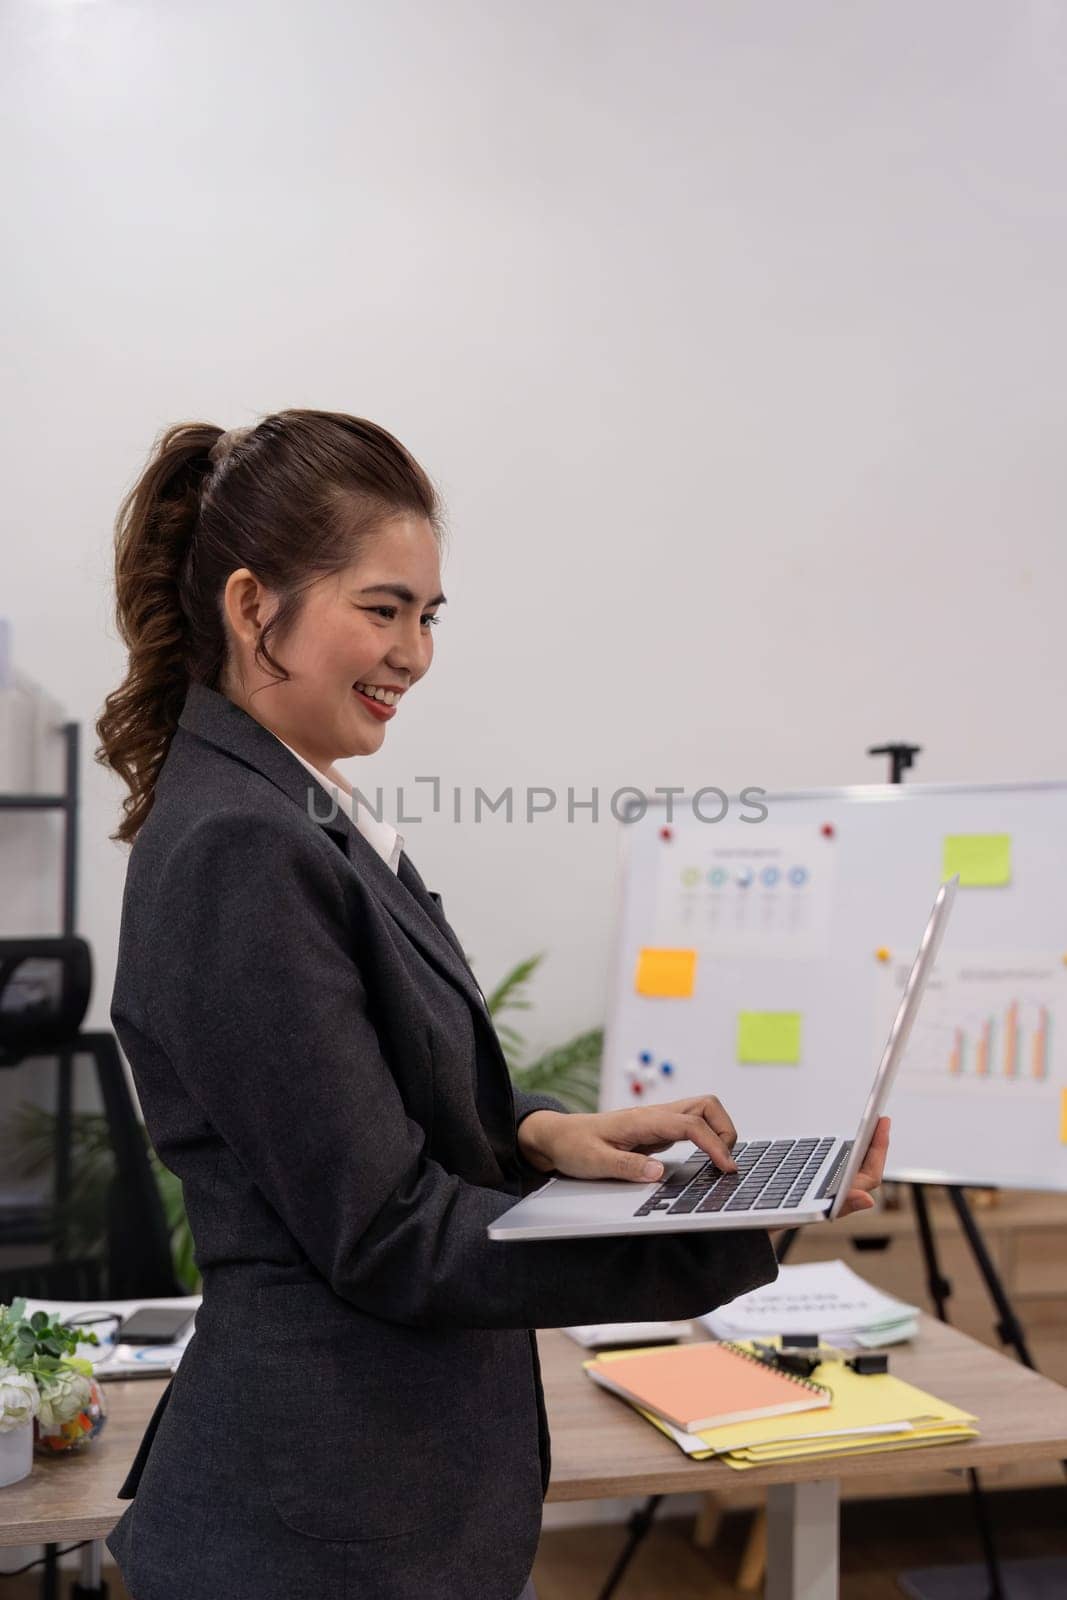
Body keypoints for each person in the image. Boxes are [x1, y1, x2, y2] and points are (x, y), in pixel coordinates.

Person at [95, 409, 888, 1600]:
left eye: (427, 614)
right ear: (254, 605)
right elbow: (387, 1235)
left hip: (373, 1504)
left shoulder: (295, 810)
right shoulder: (241, 846)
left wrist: (537, 1131)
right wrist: (726, 1227)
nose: (413, 651)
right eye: (381, 607)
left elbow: (365, 1091)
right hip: (316, 1532)